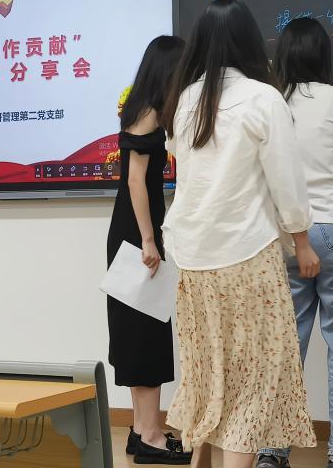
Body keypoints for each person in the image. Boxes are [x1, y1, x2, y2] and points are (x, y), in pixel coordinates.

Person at [161, 0, 320, 468]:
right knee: (254, 379)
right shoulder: (263, 98)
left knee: (208, 373)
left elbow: (182, 159)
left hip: (193, 258)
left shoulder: (184, 100)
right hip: (247, 253)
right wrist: (302, 241)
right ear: (250, 40)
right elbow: (286, 181)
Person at [256, 18, 333, 468]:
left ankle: (271, 451)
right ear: (325, 55)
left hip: (287, 233)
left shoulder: (269, 102)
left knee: (285, 343)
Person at [107, 35, 191, 465]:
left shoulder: (143, 107)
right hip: (136, 235)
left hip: (134, 232)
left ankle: (143, 431)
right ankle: (151, 435)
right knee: (145, 334)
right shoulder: (146, 113)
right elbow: (136, 181)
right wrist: (148, 240)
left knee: (140, 331)